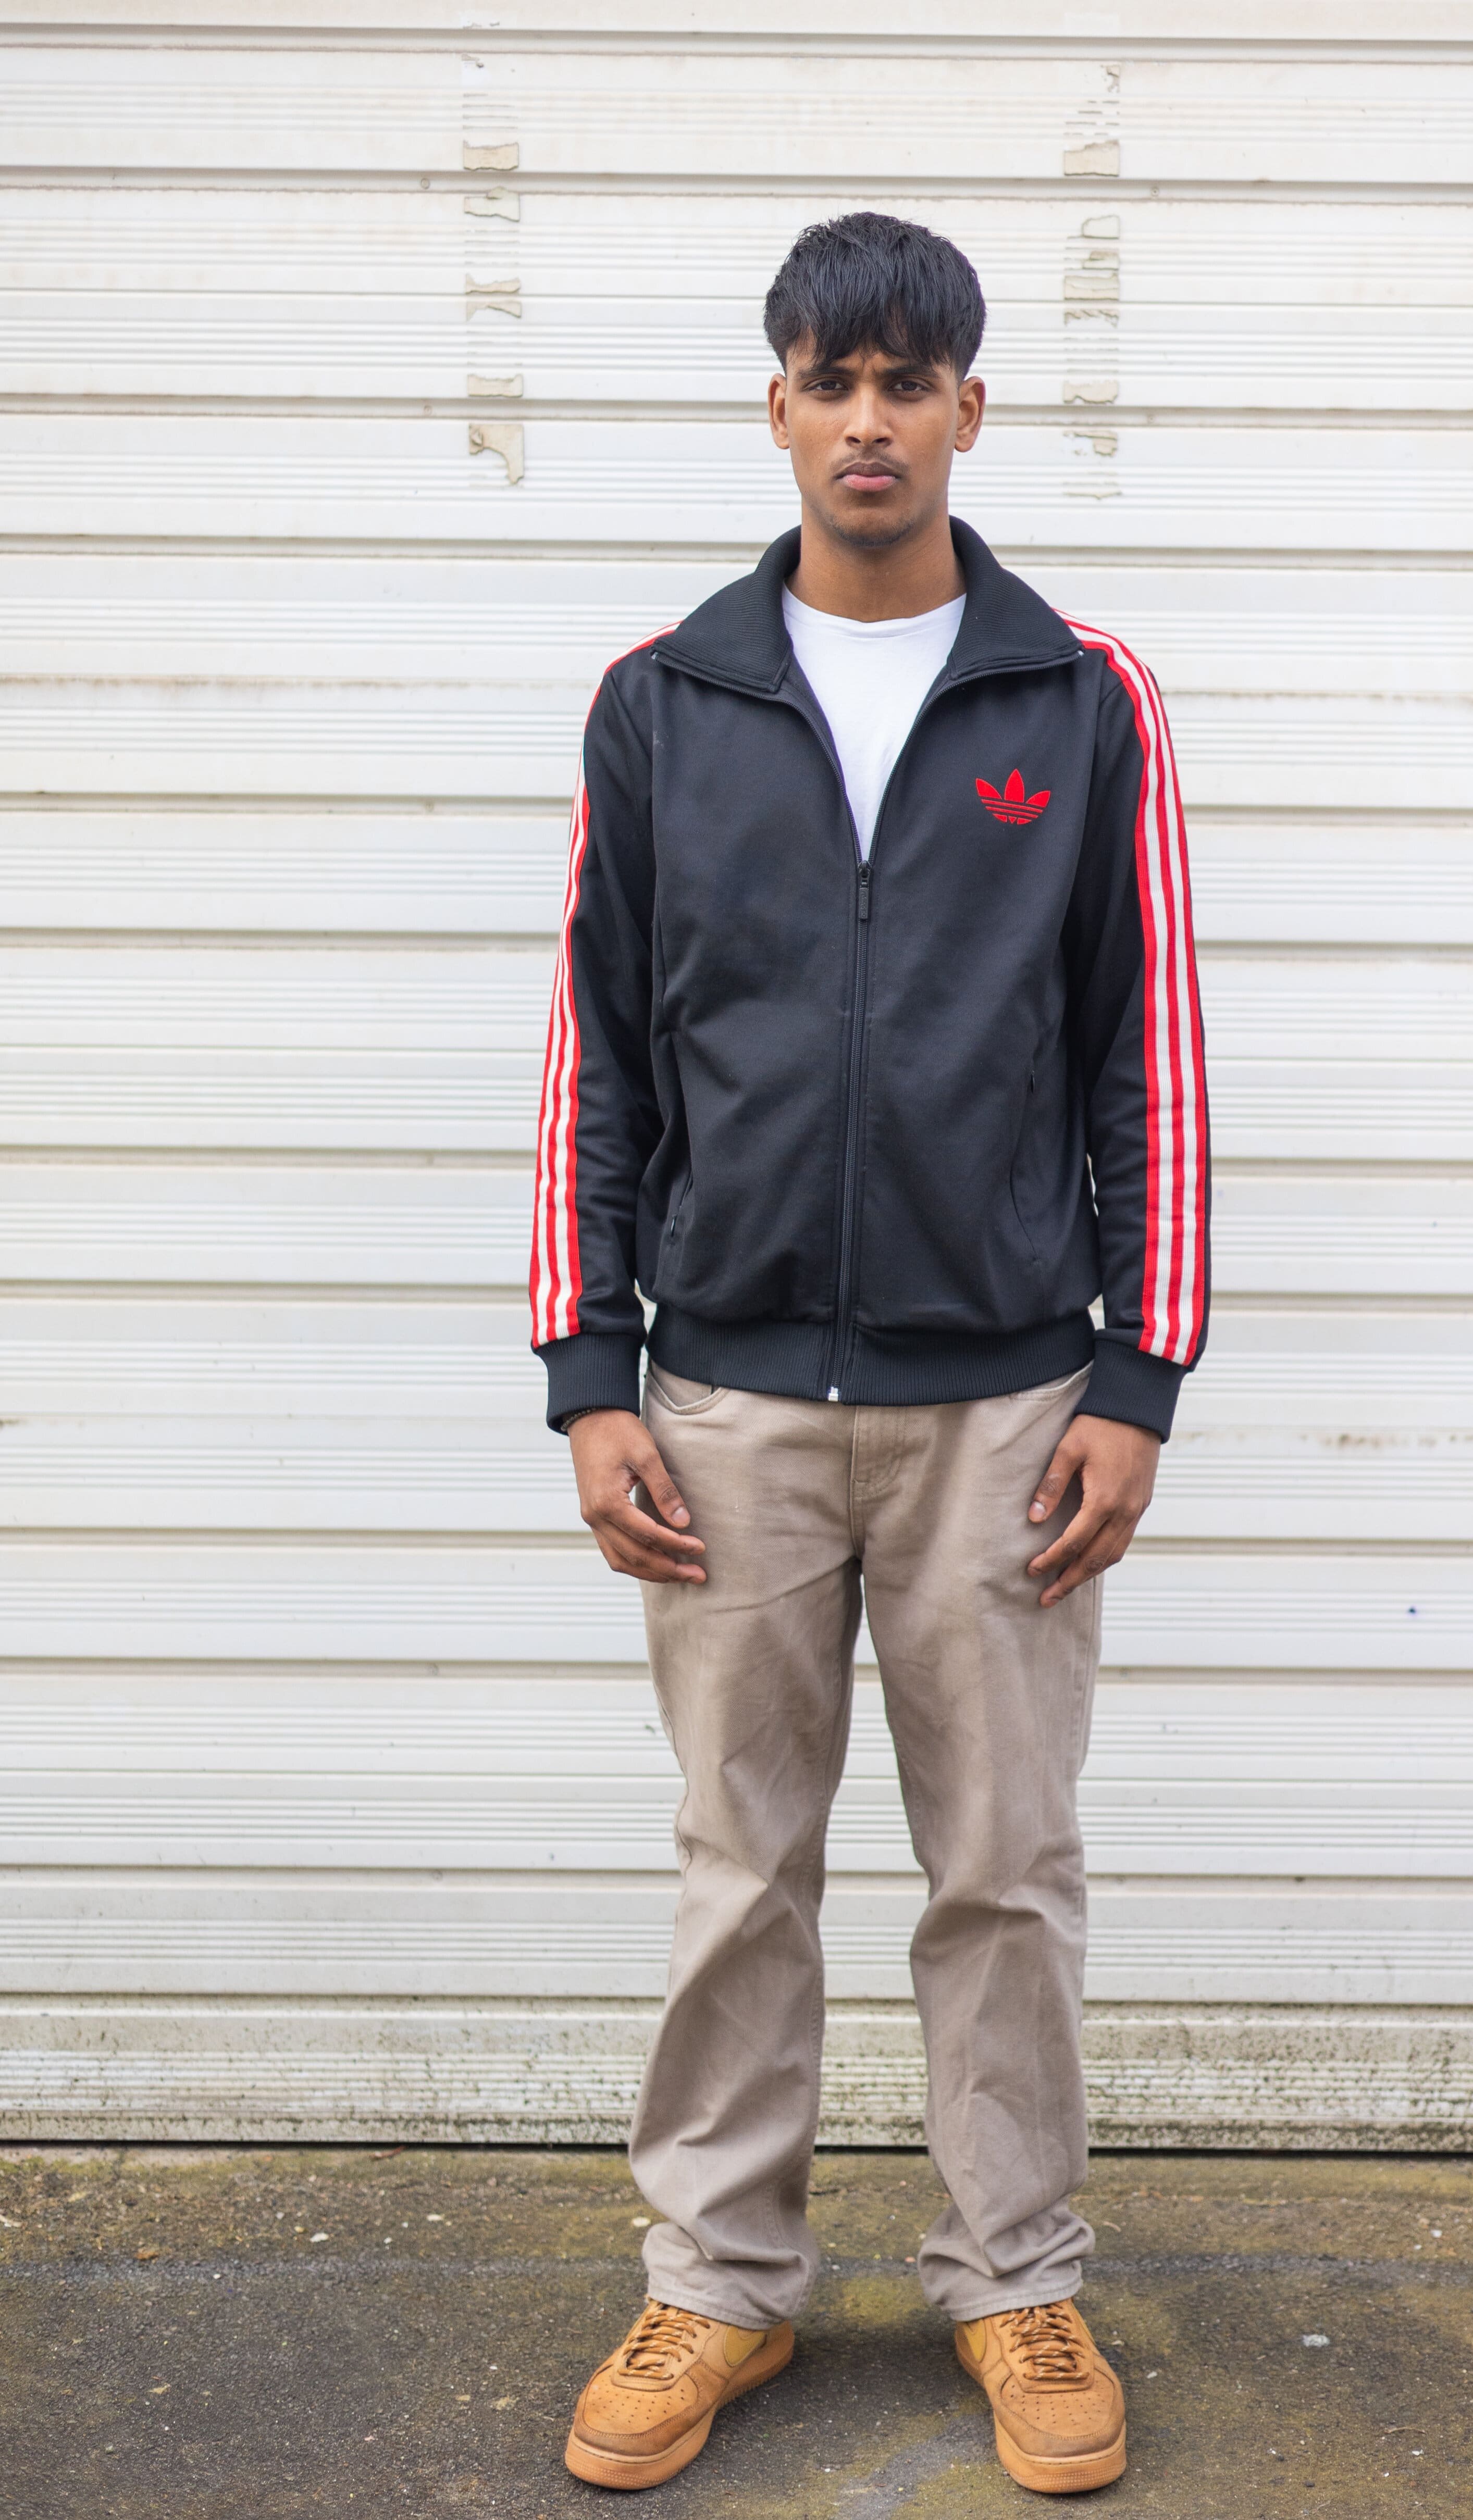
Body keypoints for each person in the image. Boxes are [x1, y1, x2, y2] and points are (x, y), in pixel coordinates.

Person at [531, 210, 1208, 2497]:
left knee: (1002, 1868)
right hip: (722, 1404)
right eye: (829, 379)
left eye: (908, 381)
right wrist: (591, 1370)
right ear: (778, 406)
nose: (868, 421)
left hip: (1002, 1406)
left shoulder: (1077, 696)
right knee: (741, 1867)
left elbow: (1145, 1053)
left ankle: (1014, 2275)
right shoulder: (665, 697)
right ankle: (718, 2285)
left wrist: (1136, 1377)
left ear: (969, 411)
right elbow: (600, 1056)